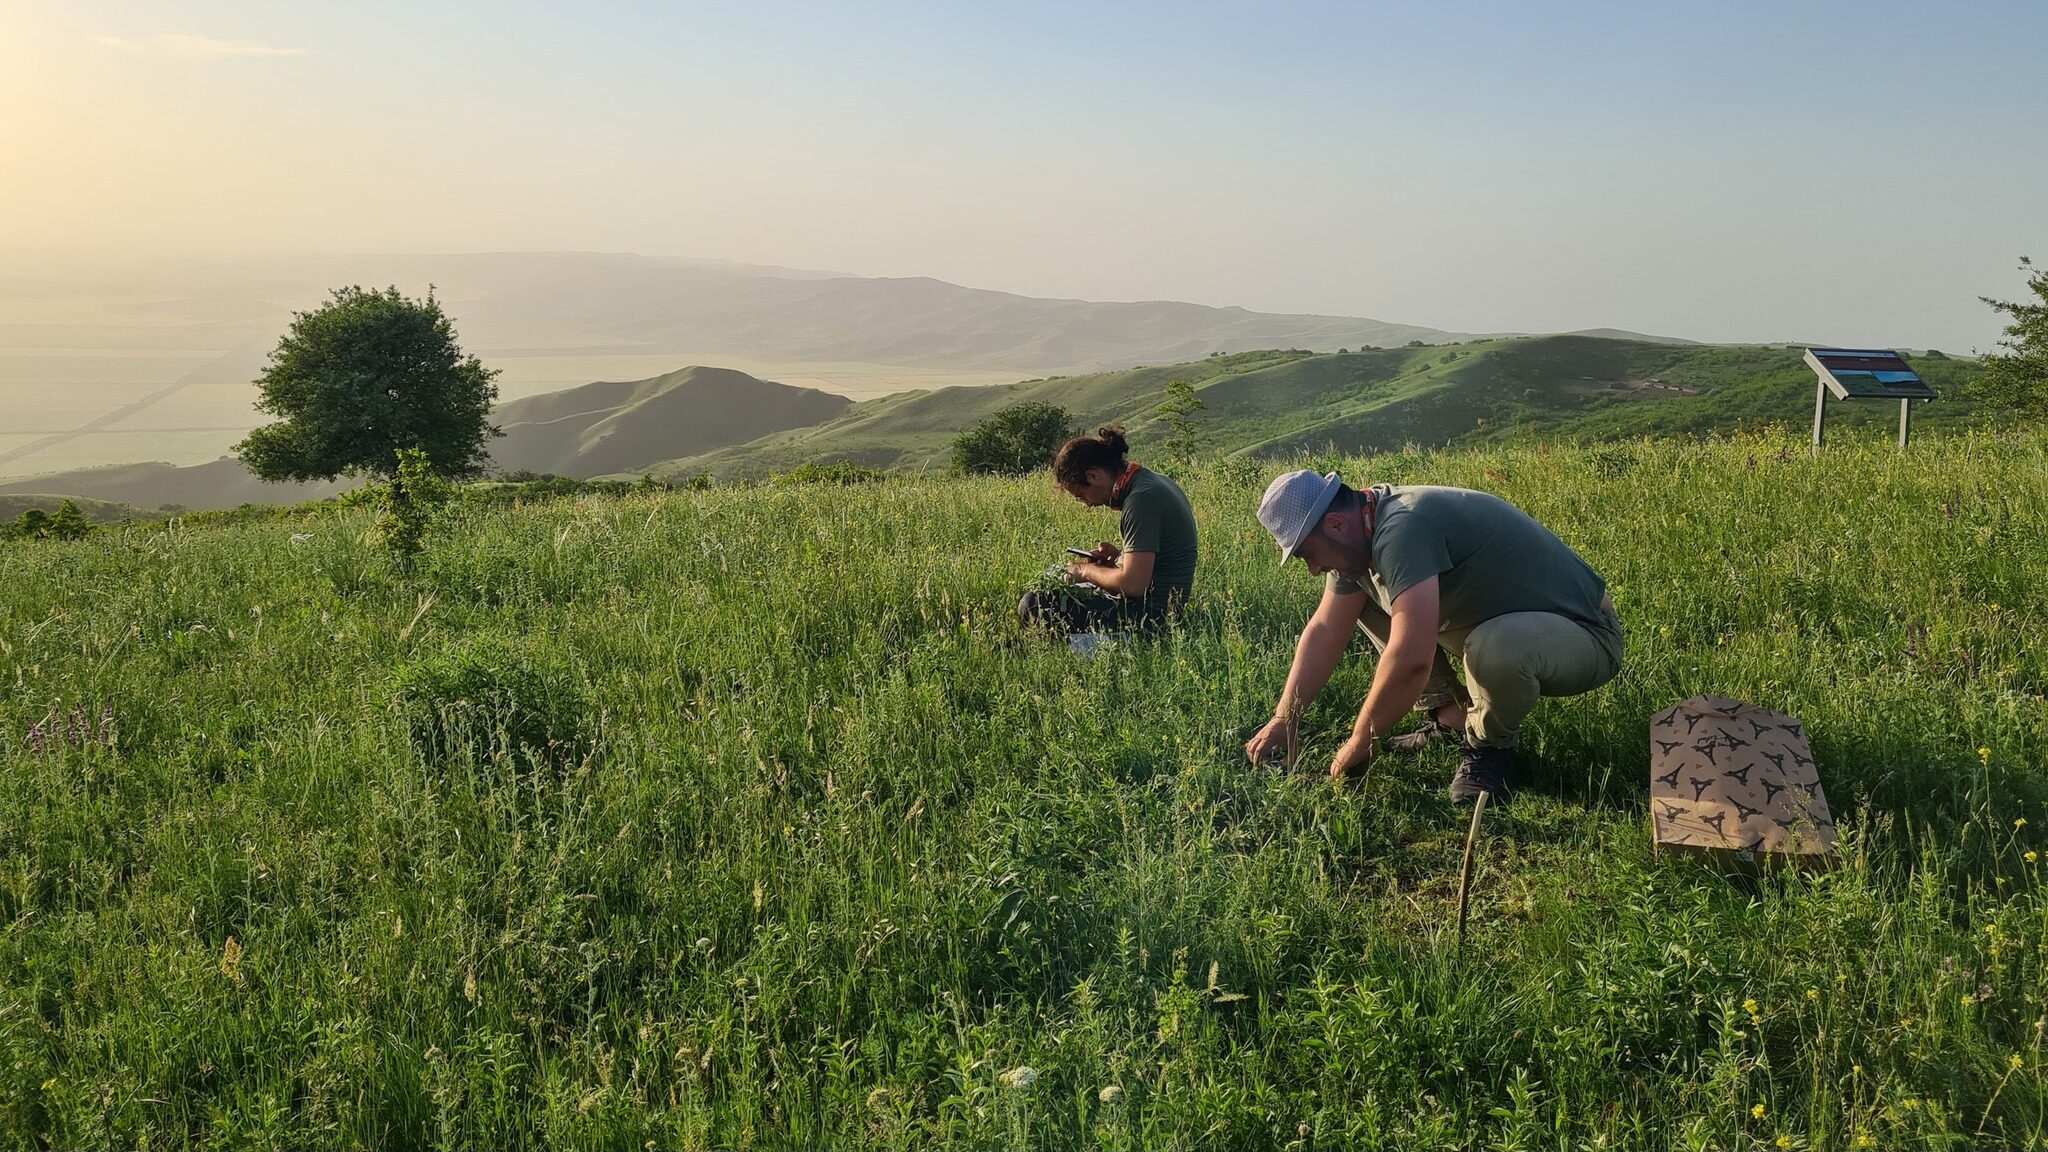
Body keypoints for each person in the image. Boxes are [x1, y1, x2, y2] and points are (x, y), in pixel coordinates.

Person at [1243, 470, 1621, 802]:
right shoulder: (1363, 531)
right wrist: (1285, 718)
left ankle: (1489, 748)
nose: (1313, 569)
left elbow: (1411, 659)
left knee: (1494, 645)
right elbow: (1325, 628)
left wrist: (1361, 741)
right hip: (1517, 624)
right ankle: (1451, 716)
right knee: (1365, 597)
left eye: (1308, 554)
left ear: (1336, 525)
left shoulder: (1403, 527)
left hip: (1585, 634)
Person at [1017, 426, 1198, 633]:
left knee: (1034, 603)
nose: (1086, 504)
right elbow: (1160, 561)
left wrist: (1084, 571)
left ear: (1092, 476)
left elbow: (1134, 584)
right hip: (1159, 607)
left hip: (1150, 617)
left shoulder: (1141, 500)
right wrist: (1119, 559)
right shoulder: (1153, 482)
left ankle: (1074, 645)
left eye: (1080, 495)